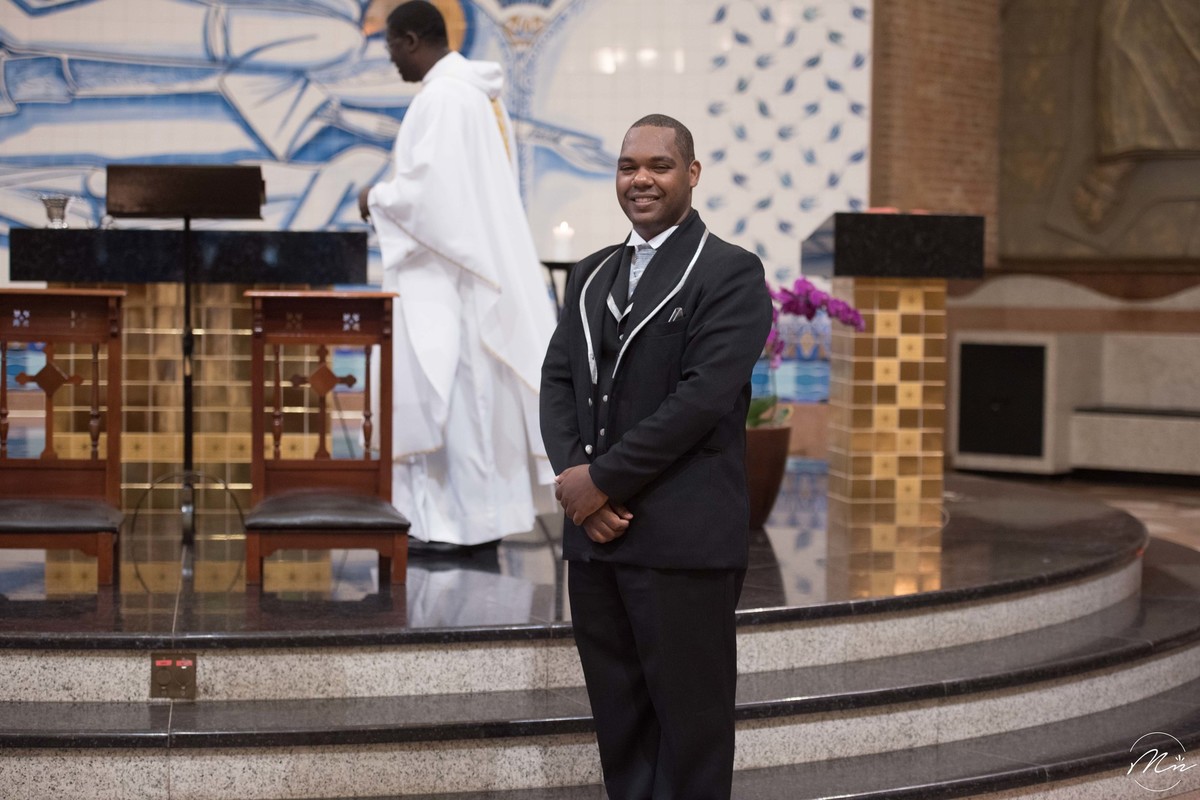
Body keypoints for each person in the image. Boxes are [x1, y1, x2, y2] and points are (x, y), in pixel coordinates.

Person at [539, 114, 773, 799]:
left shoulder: (730, 272)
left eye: (659, 166)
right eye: (627, 166)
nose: (640, 178)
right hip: (597, 543)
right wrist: (577, 484)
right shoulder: (589, 275)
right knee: (621, 725)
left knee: (691, 729)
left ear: (691, 174)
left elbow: (702, 401)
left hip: (680, 539)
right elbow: (559, 381)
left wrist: (602, 482)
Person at [358, 1, 555, 551]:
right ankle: (473, 522)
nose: (393, 61)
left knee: (457, 402)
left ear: (413, 38)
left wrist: (373, 197)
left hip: (452, 281)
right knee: (470, 404)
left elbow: (432, 197)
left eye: (393, 47)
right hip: (465, 271)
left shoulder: (444, 98)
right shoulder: (474, 95)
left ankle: (456, 527)